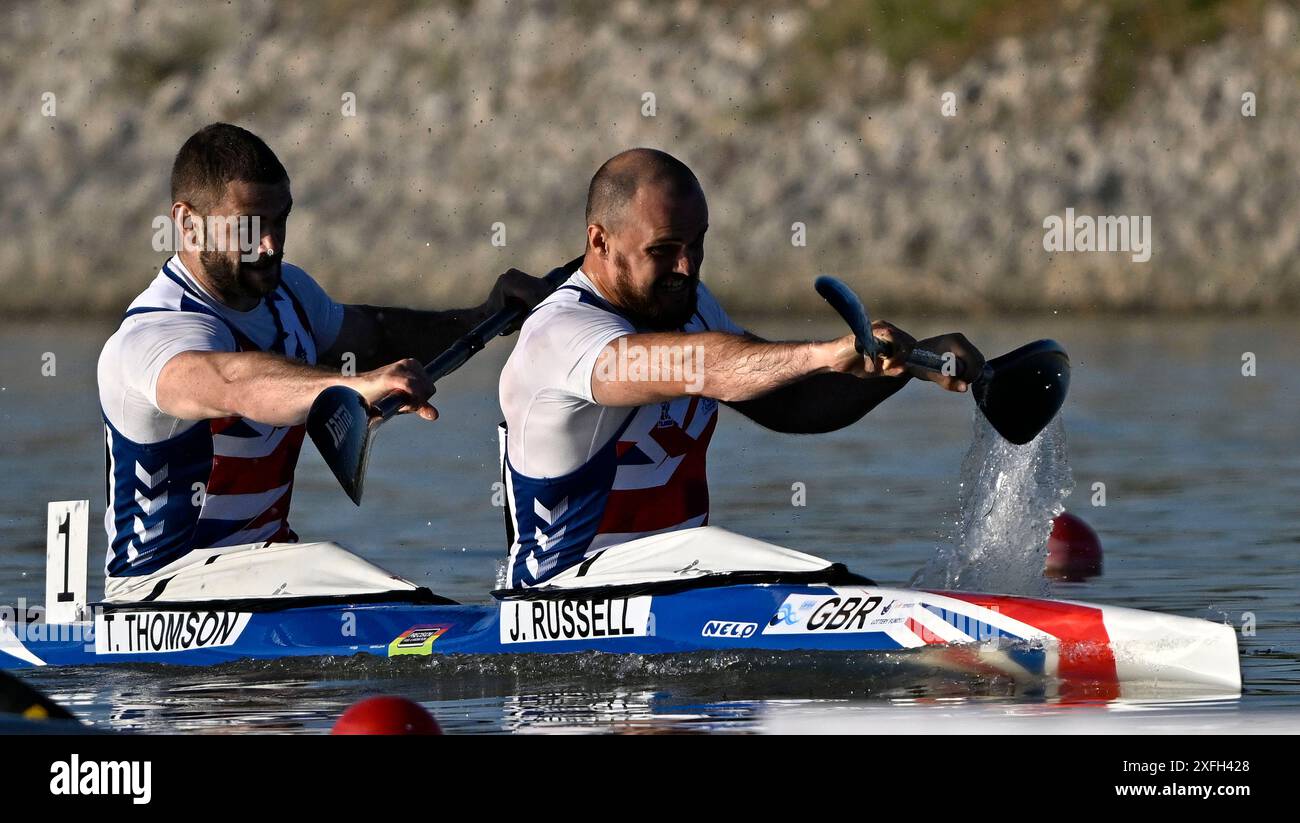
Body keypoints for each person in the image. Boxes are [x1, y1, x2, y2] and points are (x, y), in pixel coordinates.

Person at [98, 123, 550, 601]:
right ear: (187, 223)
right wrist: (353, 387)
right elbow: (234, 383)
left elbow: (379, 334)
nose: (271, 244)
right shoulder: (155, 334)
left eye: (280, 220)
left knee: (343, 572)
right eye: (251, 225)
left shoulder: (288, 294)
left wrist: (482, 316)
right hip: (157, 592)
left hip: (264, 575)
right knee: (340, 569)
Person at [498, 148, 984, 589]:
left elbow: (792, 404)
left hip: (676, 580)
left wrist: (898, 370)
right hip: (563, 597)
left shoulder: (689, 305)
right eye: (663, 250)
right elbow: (700, 367)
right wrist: (824, 353)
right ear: (599, 241)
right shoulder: (559, 334)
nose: (687, 268)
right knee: (802, 574)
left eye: (697, 244)